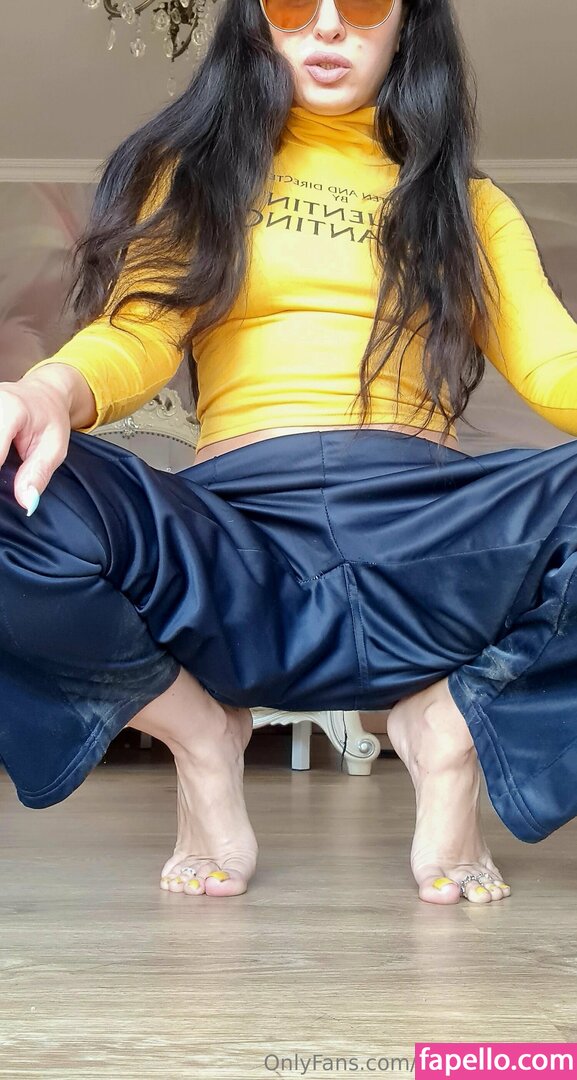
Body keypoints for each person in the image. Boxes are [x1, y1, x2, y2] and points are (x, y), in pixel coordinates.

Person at [2, 0, 577, 907]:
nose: (327, 27)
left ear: (406, 24)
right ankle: (201, 738)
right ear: (257, 24)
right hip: (234, 548)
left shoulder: (470, 205)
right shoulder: (196, 179)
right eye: (292, 4)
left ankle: (452, 732)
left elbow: (552, 365)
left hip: (430, 543)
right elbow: (136, 336)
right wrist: (46, 391)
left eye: (361, 2)